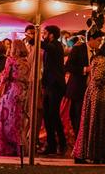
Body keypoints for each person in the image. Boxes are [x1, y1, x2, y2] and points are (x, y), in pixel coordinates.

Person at [75, 37, 105, 164]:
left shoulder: (97, 58)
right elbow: (98, 78)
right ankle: (96, 155)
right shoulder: (103, 60)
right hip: (98, 94)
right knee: (97, 124)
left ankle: (85, 153)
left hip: (92, 92)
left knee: (89, 123)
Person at [0, 39, 31, 155]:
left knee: (4, 118)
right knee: (18, 120)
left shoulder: (11, 60)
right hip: (23, 92)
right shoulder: (27, 62)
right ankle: (19, 146)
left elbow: (5, 77)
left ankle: (5, 145)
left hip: (12, 90)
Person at [41, 24, 68, 155]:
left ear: (51, 35)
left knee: (53, 115)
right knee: (47, 115)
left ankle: (62, 143)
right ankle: (51, 144)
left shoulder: (56, 46)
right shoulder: (50, 47)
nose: (43, 35)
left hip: (56, 86)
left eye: (45, 33)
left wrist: (33, 39)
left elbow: (46, 46)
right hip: (48, 85)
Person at [65, 30, 95, 140]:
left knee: (83, 115)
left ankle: (83, 139)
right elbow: (68, 66)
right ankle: (79, 140)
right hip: (77, 87)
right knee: (77, 114)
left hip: (90, 88)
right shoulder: (78, 49)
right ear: (91, 39)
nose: (99, 43)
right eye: (98, 40)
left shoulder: (96, 52)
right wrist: (84, 69)